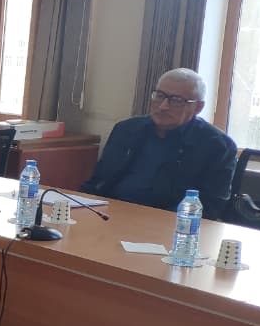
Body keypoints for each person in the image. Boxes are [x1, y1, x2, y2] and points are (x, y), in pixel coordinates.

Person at [81, 68, 237, 219]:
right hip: (109, 214)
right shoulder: (126, 130)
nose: (163, 106)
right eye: (160, 96)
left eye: (176, 101)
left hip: (167, 224)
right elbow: (98, 182)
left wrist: (151, 221)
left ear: (198, 107)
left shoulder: (218, 146)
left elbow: (210, 208)